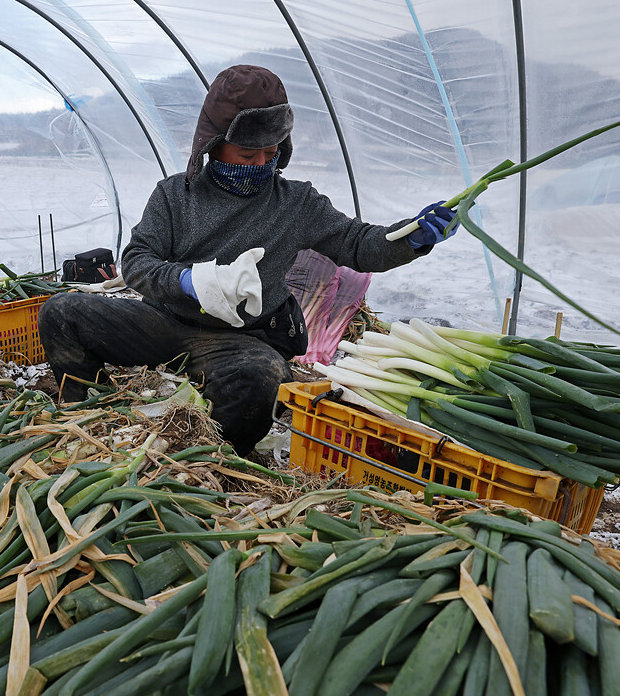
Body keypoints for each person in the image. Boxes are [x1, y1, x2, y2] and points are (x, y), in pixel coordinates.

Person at [37, 64, 458, 456]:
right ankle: (89, 419)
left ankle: (206, 462)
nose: (260, 165)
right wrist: (188, 281)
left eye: (270, 153)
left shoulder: (295, 203)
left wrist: (411, 237)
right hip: (164, 324)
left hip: (237, 340)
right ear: (213, 147)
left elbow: (360, 244)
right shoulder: (173, 195)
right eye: (246, 155)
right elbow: (137, 261)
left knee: (262, 380)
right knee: (62, 312)